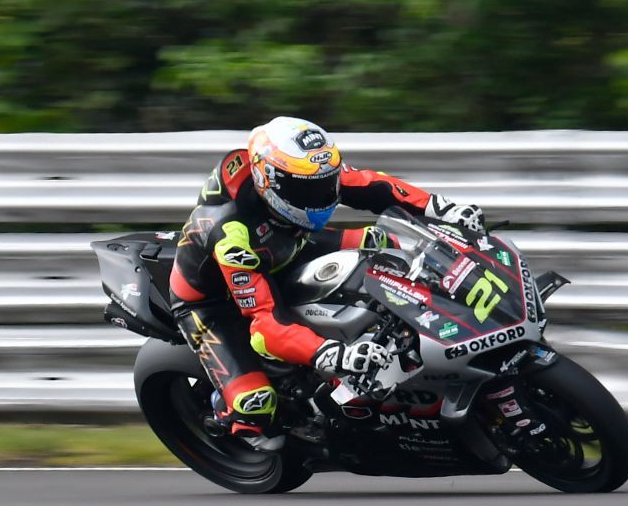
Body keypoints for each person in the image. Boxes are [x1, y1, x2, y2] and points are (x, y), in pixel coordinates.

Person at [169, 116, 486, 451]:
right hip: (215, 301)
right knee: (256, 406)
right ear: (269, 181)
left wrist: (441, 208)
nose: (321, 195)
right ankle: (226, 409)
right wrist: (331, 354)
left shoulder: (303, 169)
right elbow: (265, 326)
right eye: (306, 190)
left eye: (325, 183)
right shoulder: (232, 237)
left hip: (288, 245)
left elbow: (370, 184)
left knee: (385, 243)